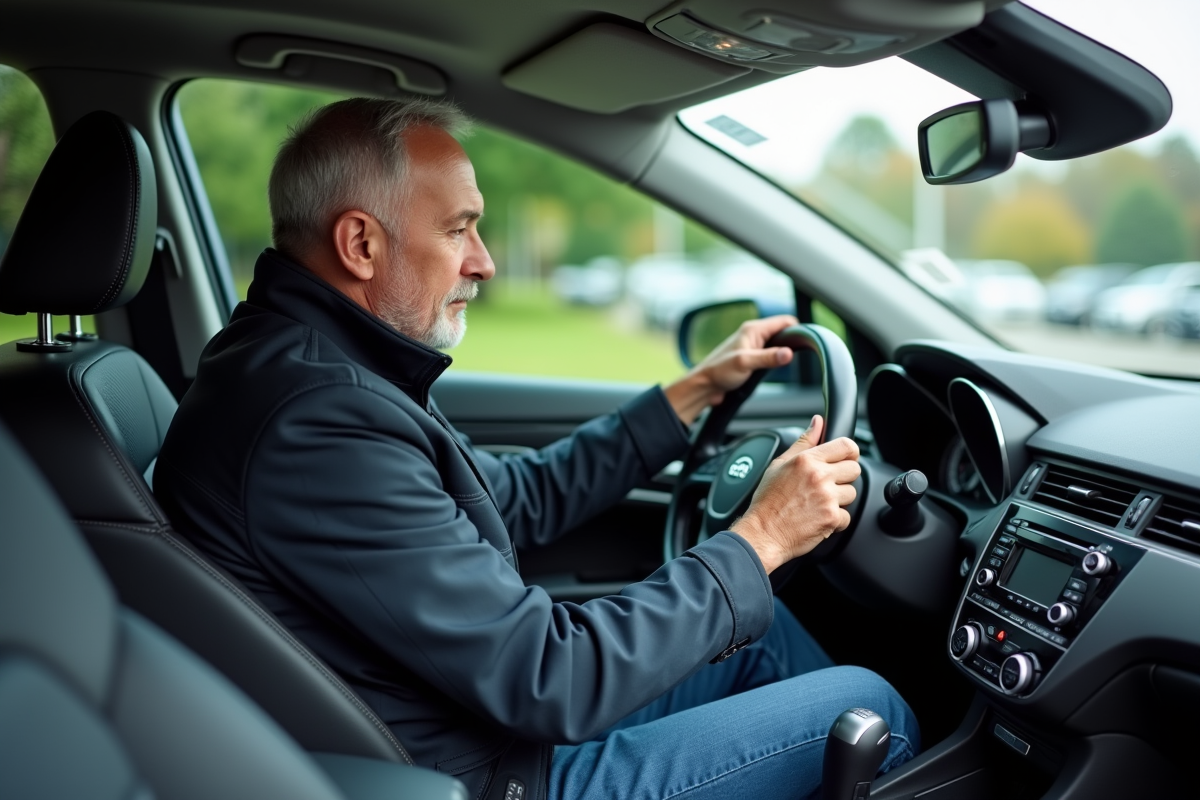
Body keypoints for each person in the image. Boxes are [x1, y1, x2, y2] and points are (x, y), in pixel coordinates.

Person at [156, 97, 918, 800]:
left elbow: (509, 500)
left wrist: (693, 394)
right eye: (459, 228)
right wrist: (761, 540)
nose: (483, 260)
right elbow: (553, 677)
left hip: (477, 734)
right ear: (360, 242)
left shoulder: (307, 368)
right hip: (496, 777)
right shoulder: (319, 422)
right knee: (868, 704)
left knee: (764, 634)